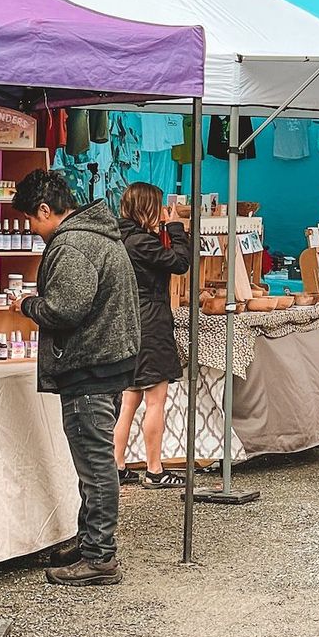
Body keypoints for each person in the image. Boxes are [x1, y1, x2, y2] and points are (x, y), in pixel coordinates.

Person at [10, 170, 140, 587]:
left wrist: (29, 305)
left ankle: (100, 557)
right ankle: (89, 543)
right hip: (106, 361)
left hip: (90, 366)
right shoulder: (97, 236)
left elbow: (64, 309)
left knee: (96, 464)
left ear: (46, 209)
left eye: (32, 219)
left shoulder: (73, 245)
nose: (32, 229)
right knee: (94, 461)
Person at [113, 183, 192, 489]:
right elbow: (180, 263)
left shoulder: (119, 237)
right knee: (155, 400)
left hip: (129, 323)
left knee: (130, 397)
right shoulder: (142, 242)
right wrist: (175, 227)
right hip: (151, 322)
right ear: (148, 208)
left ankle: (117, 465)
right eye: (158, 206)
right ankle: (154, 470)